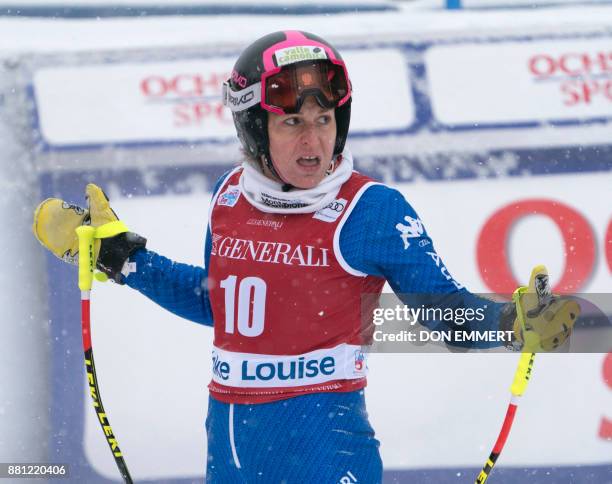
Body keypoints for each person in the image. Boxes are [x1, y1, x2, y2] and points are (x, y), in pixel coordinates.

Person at [32, 31, 579, 483]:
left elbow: (441, 310)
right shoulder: (229, 196)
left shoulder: (371, 210)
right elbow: (221, 304)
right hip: (230, 450)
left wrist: (511, 322)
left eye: (324, 119)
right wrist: (121, 256)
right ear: (254, 127)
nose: (313, 140)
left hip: (324, 452)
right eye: (292, 122)